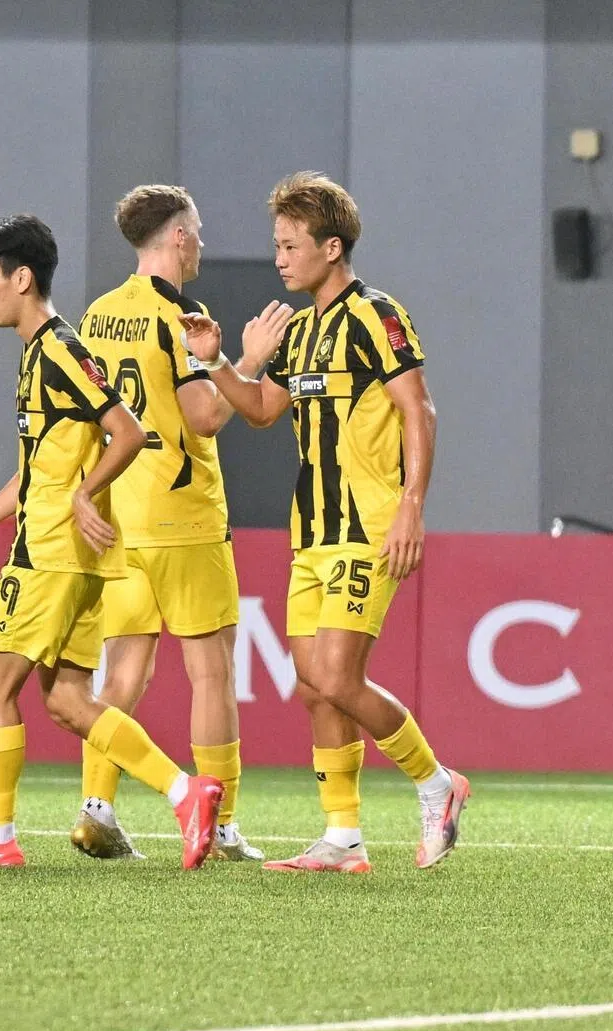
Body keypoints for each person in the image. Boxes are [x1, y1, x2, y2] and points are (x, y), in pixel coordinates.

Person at [177, 172, 471, 873]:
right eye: (276, 244)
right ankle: (342, 837)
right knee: (312, 684)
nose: (279, 258)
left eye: (290, 244)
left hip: (367, 524)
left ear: (331, 247)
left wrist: (410, 508)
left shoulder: (376, 314)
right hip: (310, 532)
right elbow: (261, 410)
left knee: (337, 677)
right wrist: (216, 360)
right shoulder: (302, 330)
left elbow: (418, 409)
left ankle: (438, 785)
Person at [0, 214, 223, 870]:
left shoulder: (59, 351)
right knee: (67, 700)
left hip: (50, 554)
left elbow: (129, 430)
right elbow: (37, 472)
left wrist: (86, 495)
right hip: (73, 558)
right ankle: (186, 792)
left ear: (20, 278)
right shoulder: (43, 355)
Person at [70, 184, 291, 862]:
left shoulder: (98, 314)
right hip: (183, 516)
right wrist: (250, 357)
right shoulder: (181, 313)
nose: (202, 241)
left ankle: (96, 809)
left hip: (119, 519)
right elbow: (205, 416)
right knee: (212, 672)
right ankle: (219, 825)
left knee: (124, 671)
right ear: (175, 237)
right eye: (196, 229)